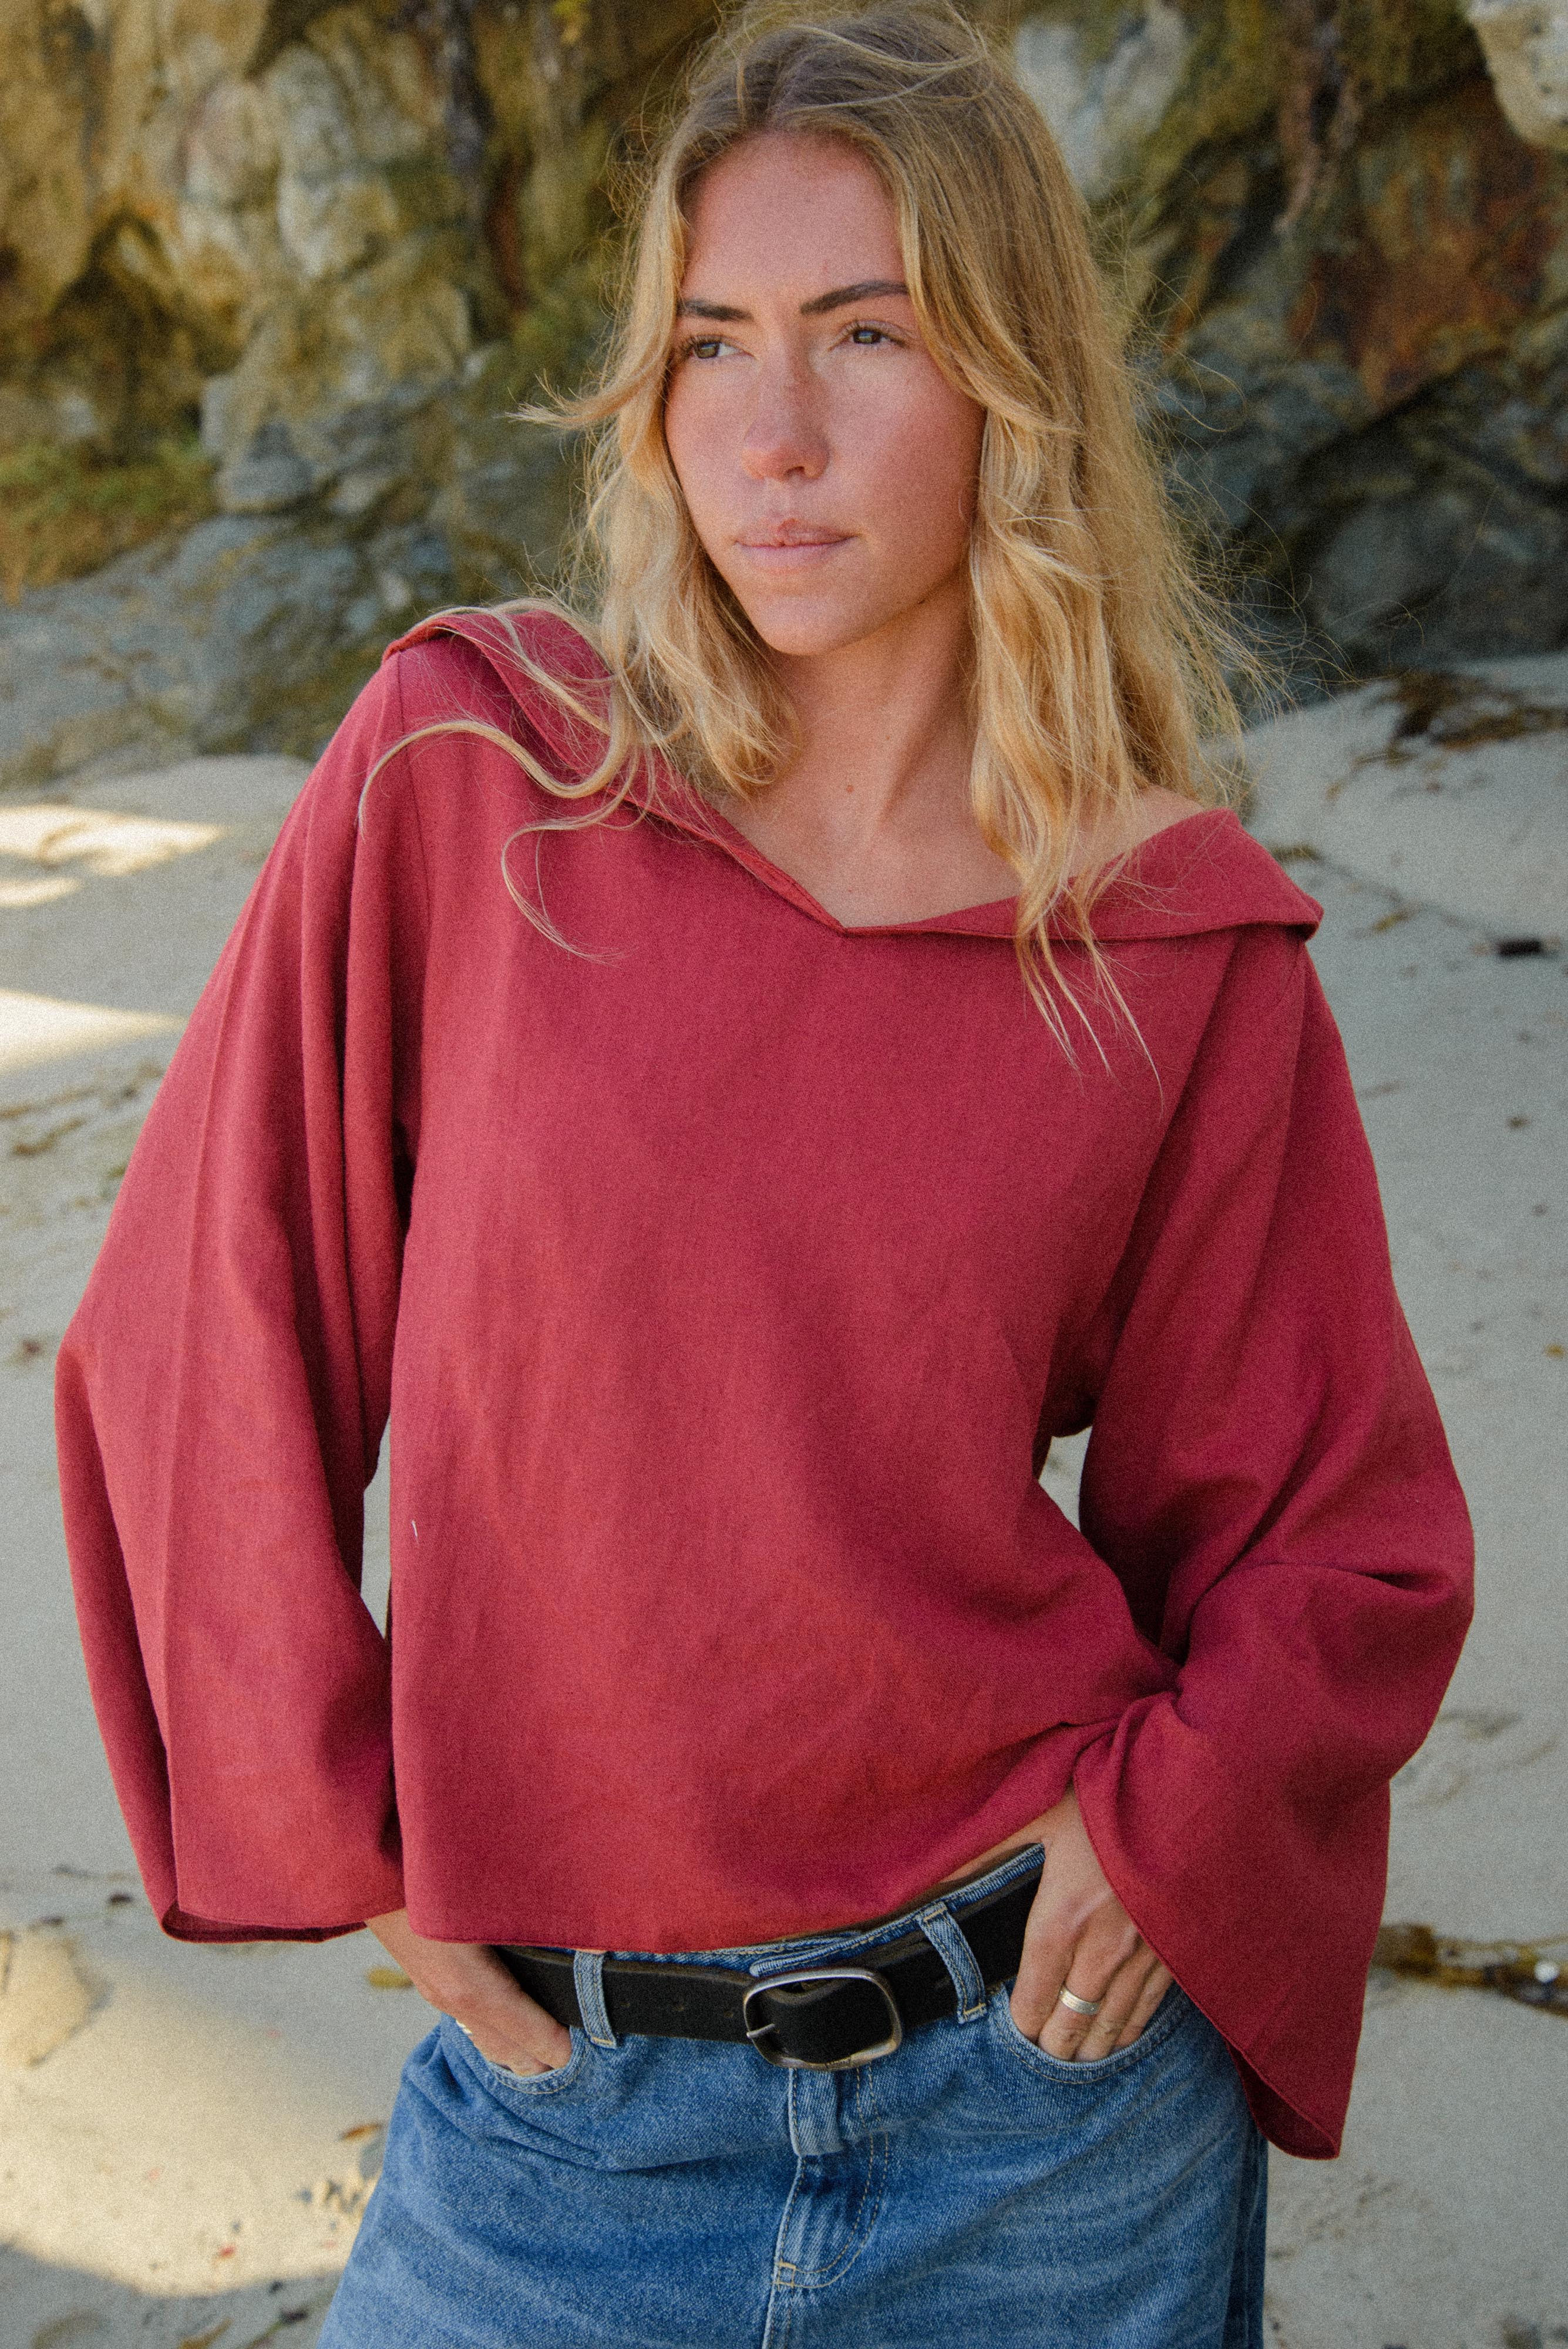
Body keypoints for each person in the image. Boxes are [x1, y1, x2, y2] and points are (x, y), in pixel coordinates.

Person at [56, 6, 1473, 2343]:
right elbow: (205, 1318)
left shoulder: (1161, 934)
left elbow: (1328, 1520)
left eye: (861, 337)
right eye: (712, 344)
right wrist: (348, 1830)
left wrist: (1155, 1830)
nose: (771, 433)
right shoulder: (471, 777)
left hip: (1041, 2117)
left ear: (1005, 383)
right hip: (553, 2127)